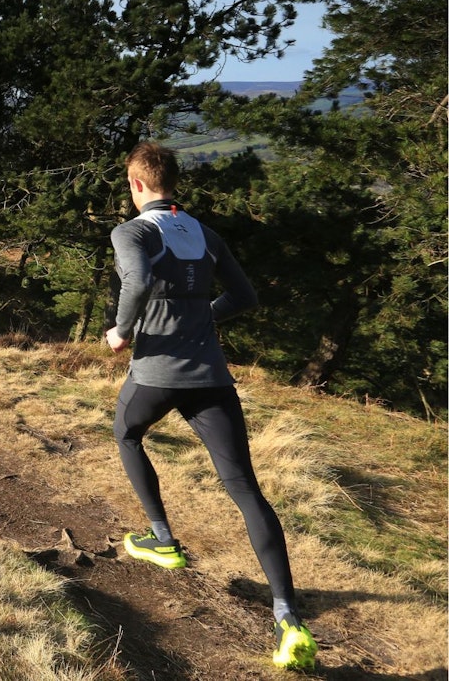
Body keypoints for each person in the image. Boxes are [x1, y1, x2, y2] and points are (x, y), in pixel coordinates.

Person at [104, 142, 317, 672]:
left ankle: (161, 538)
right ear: (173, 182)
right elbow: (245, 296)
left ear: (135, 185)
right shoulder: (205, 233)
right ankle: (288, 617)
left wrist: (121, 331)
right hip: (212, 378)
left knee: (127, 434)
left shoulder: (131, 232)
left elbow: (137, 281)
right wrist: (202, 322)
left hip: (156, 374)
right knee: (245, 488)